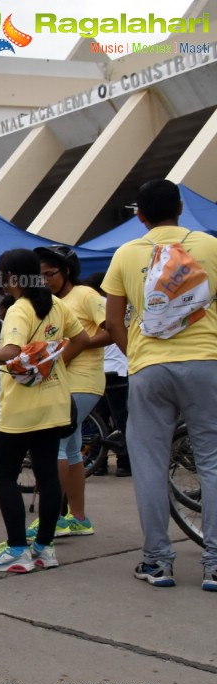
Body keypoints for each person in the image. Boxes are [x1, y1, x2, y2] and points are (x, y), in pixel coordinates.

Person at [101, 178, 217, 590]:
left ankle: (157, 562)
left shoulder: (125, 254)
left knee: (149, 464)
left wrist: (138, 359)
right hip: (206, 363)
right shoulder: (208, 244)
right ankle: (215, 563)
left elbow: (114, 322)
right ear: (181, 208)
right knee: (212, 460)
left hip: (149, 367)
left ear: (140, 215)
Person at [0, 249, 87, 573]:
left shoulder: (19, 310)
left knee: (4, 473)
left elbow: (10, 352)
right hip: (55, 403)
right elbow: (81, 339)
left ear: (11, 277)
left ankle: (17, 549)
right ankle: (45, 549)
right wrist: (51, 365)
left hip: (23, 409)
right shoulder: (56, 304)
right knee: (48, 474)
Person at [35, 245, 111, 537]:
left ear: (67, 272)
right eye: (39, 275)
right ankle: (78, 518)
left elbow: (114, 330)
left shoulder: (86, 295)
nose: (44, 280)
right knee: (72, 449)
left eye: (50, 274)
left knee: (55, 448)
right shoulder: (51, 303)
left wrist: (78, 344)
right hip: (62, 383)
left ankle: (51, 520)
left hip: (82, 382)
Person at [84, 273, 131, 477]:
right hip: (118, 370)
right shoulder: (109, 305)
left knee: (97, 420)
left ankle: (98, 462)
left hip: (99, 370)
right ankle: (124, 463)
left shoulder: (90, 305)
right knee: (123, 420)